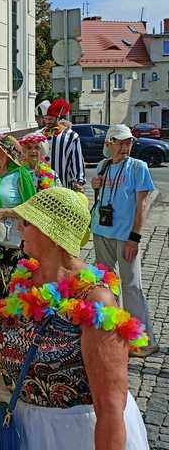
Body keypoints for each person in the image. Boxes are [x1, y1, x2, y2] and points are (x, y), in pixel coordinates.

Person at [0, 187, 149, 450]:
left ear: (53, 234)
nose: (20, 228)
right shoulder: (24, 279)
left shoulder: (96, 300)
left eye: (28, 222)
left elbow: (110, 407)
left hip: (72, 436)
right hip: (21, 427)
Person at [91, 124, 157, 357]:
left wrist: (135, 238)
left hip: (125, 236)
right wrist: (94, 185)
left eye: (128, 142)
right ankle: (116, 334)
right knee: (107, 287)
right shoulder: (103, 165)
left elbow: (143, 205)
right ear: (108, 144)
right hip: (101, 233)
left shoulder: (138, 167)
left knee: (131, 286)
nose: (125, 146)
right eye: (120, 142)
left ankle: (144, 341)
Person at [0, 134, 35, 298]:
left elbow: (31, 208)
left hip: (13, 242)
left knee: (11, 291)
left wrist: (4, 212)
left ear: (6, 152)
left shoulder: (20, 174)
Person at [40, 99, 86, 191]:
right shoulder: (39, 134)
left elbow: (76, 160)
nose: (47, 121)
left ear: (57, 118)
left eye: (50, 119)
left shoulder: (71, 136)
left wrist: (78, 181)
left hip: (63, 185)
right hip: (41, 186)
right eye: (45, 119)